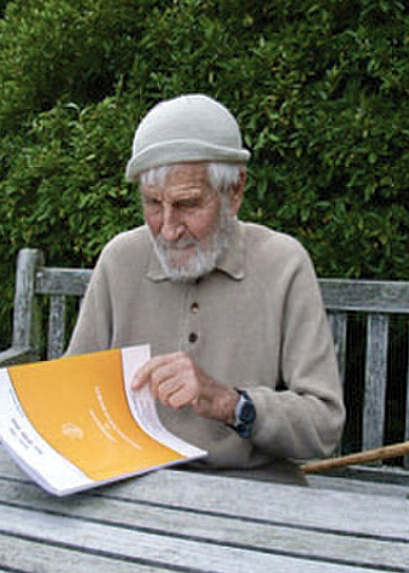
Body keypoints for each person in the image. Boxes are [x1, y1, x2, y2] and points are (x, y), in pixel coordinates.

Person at [66, 94, 344, 484]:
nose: (167, 228)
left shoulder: (284, 264)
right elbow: (72, 397)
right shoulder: (120, 260)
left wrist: (230, 403)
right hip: (133, 486)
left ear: (235, 192)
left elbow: (324, 425)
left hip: (250, 492)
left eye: (187, 204)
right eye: (151, 204)